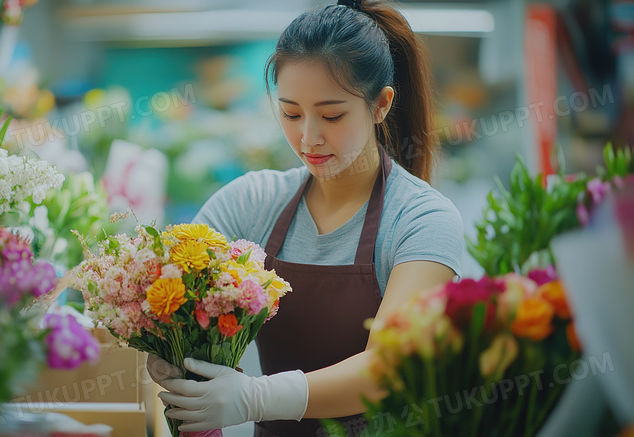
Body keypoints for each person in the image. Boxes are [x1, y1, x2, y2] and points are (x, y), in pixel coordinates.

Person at [148, 1, 465, 435]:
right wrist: (168, 349)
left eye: (332, 115)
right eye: (291, 113)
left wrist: (256, 397)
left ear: (381, 105)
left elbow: (388, 367)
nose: (308, 137)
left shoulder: (422, 220)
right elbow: (163, 286)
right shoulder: (251, 202)